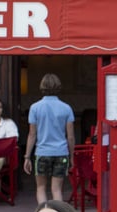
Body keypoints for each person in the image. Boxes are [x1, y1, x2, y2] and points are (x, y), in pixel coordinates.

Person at [24, 73, 75, 203]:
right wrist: (72, 156)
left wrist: (27, 157)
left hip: (42, 152)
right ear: (58, 87)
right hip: (61, 152)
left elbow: (32, 134)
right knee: (57, 189)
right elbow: (70, 137)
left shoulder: (35, 108)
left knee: (41, 188)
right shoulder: (66, 108)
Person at [0, 98, 20, 175]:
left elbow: (13, 140)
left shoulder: (9, 123)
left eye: (0, 107)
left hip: (3, 155)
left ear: (2, 110)